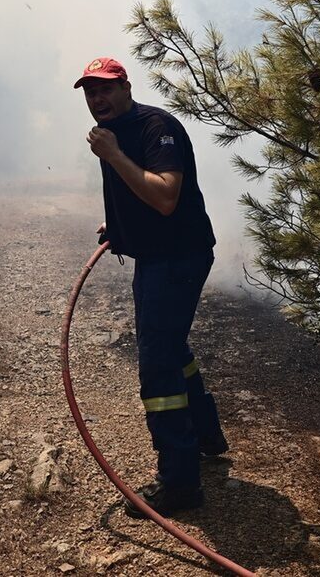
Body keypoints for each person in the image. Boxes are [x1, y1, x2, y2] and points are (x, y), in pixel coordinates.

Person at [74, 55, 228, 519]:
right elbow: (137, 196)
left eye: (105, 89)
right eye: (89, 92)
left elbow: (164, 196)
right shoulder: (115, 132)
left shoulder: (152, 126)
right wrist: (120, 227)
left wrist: (114, 155)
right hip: (159, 255)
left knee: (158, 363)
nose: (97, 99)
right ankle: (206, 436)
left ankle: (180, 484)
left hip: (177, 259)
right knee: (171, 348)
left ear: (126, 88)